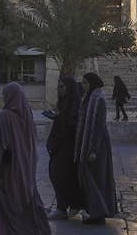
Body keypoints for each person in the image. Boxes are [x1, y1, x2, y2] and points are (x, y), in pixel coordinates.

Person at [0, 82, 51, 235]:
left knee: (5, 202)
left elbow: (0, 144)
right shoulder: (26, 113)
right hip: (26, 166)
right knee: (27, 197)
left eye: (5, 95)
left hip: (7, 170)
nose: (3, 98)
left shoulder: (5, 115)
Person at [75, 73, 117, 225]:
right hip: (86, 144)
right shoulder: (88, 98)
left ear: (91, 84)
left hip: (96, 147)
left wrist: (93, 149)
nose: (82, 85)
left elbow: (98, 126)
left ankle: (98, 214)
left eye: (85, 83)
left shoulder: (98, 99)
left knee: (96, 179)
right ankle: (94, 210)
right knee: (89, 178)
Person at [46, 76, 84, 220]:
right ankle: (68, 205)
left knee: (60, 175)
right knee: (57, 174)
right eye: (59, 86)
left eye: (62, 86)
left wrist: (59, 118)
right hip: (60, 146)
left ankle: (64, 207)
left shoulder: (74, 104)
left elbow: (71, 125)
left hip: (67, 146)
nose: (59, 89)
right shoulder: (63, 103)